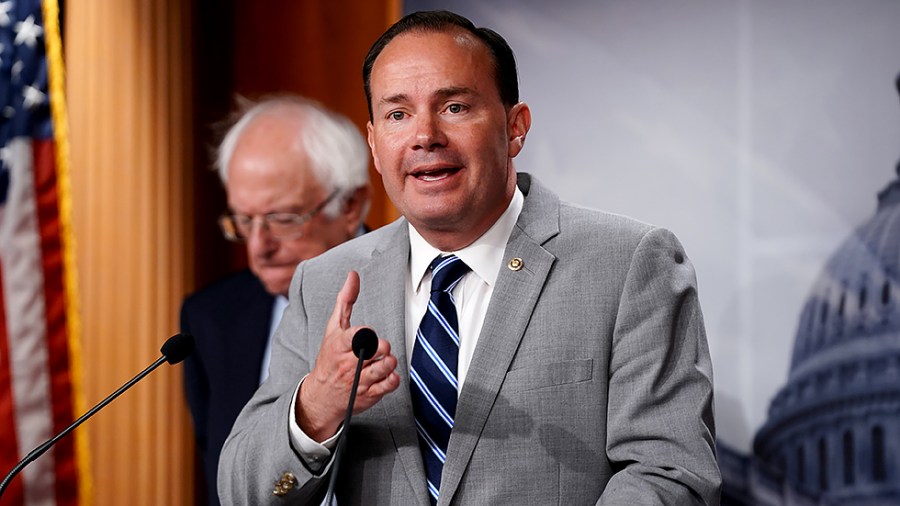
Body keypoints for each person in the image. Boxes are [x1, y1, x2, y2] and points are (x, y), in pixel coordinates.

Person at [218, 10, 721, 505]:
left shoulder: (628, 263)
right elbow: (243, 492)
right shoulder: (325, 283)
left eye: (454, 107)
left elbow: (670, 473)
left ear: (515, 126)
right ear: (374, 143)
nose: (424, 136)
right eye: (397, 114)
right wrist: (315, 406)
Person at [181, 95, 371, 506]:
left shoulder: (422, 294)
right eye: (243, 221)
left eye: (283, 220)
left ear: (350, 206)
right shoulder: (211, 319)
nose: (257, 247)